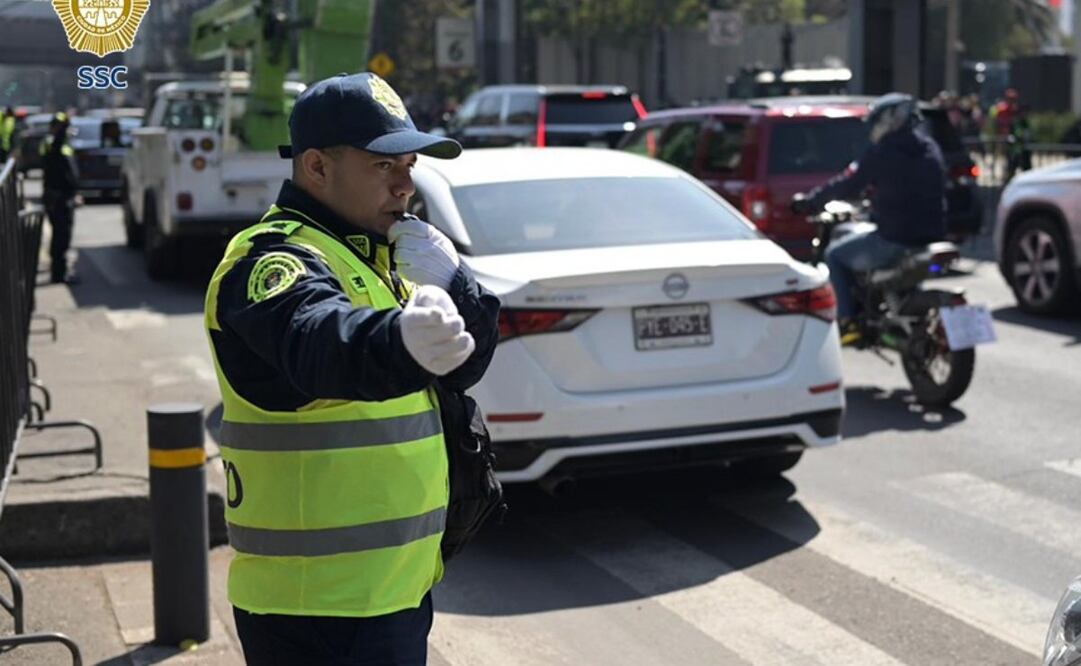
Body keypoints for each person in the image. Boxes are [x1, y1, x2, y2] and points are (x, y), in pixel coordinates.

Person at [204, 72, 500, 665]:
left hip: (390, 590)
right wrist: (400, 341)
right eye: (383, 166)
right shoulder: (270, 260)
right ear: (317, 167)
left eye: (409, 165)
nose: (405, 185)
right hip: (318, 609)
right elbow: (320, 344)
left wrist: (458, 285)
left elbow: (462, 364)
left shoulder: (376, 252)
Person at [791, 92, 946, 342]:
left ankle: (848, 321)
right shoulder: (930, 147)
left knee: (835, 256)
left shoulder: (882, 152)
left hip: (894, 238)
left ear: (888, 121)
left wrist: (811, 200)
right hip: (931, 236)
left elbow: (847, 184)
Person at [39, 112, 80, 284]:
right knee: (60, 237)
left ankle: (61, 271)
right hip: (58, 197)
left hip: (63, 196)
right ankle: (58, 274)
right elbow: (58, 169)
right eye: (63, 127)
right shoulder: (53, 144)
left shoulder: (63, 144)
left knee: (63, 236)